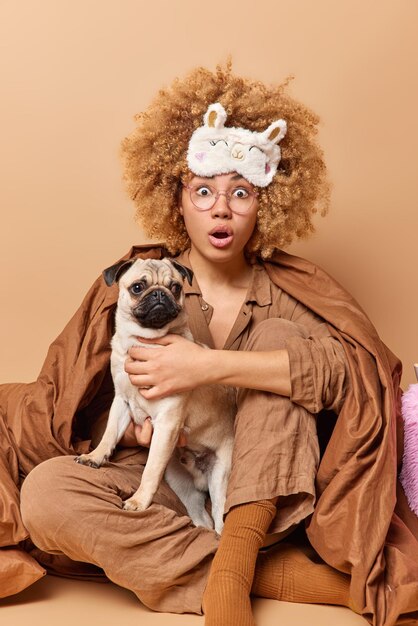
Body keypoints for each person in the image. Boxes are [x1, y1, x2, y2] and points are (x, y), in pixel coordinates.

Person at [1, 64, 417, 626]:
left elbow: (349, 375)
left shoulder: (294, 292)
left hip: (269, 490)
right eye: (204, 191)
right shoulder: (137, 280)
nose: (221, 208)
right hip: (169, 484)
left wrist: (206, 365)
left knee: (279, 341)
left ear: (264, 206)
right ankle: (259, 575)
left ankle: (233, 563)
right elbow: (86, 393)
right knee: (48, 493)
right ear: (177, 200)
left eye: (240, 192)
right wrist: (140, 421)